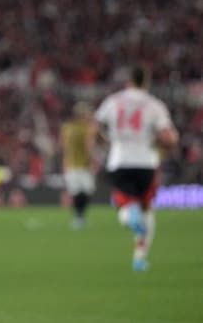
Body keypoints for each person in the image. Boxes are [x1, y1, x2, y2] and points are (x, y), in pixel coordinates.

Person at [90, 65, 178, 271]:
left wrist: (106, 144)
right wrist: (165, 141)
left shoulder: (112, 101)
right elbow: (168, 137)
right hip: (146, 163)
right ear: (145, 82)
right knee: (147, 209)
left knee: (125, 207)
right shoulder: (154, 105)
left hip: (119, 161)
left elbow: (94, 130)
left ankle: (130, 215)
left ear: (128, 82)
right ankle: (139, 257)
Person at [61, 101, 96, 229]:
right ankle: (79, 217)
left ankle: (77, 217)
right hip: (83, 164)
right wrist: (93, 160)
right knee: (86, 191)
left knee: (76, 192)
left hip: (70, 164)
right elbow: (89, 146)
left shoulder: (66, 127)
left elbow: (64, 147)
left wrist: (64, 161)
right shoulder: (87, 128)